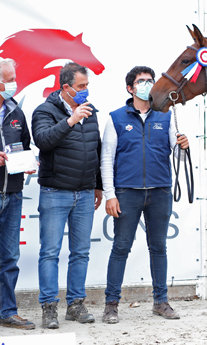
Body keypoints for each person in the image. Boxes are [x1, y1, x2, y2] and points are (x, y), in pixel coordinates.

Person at [101, 66, 188, 324]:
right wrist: (109, 194)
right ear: (130, 88)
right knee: (120, 248)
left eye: (150, 80)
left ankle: (161, 302)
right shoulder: (115, 118)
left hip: (160, 191)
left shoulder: (166, 115)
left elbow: (178, 155)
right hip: (127, 193)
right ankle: (111, 304)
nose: (147, 85)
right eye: (141, 81)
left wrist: (184, 146)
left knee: (158, 248)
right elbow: (106, 160)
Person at [31, 62, 103, 329]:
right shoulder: (44, 110)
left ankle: (75, 304)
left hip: (84, 193)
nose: (86, 91)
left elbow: (96, 150)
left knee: (81, 252)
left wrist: (98, 186)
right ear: (66, 88)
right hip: (55, 192)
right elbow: (43, 140)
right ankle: (49, 307)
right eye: (81, 87)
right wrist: (71, 120)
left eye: (87, 86)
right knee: (50, 252)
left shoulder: (91, 112)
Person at [0, 58, 36, 330]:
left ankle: (7, 312)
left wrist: (28, 163)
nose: (14, 84)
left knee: (9, 257)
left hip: (12, 193)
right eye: (9, 79)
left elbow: (23, 146)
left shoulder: (16, 112)